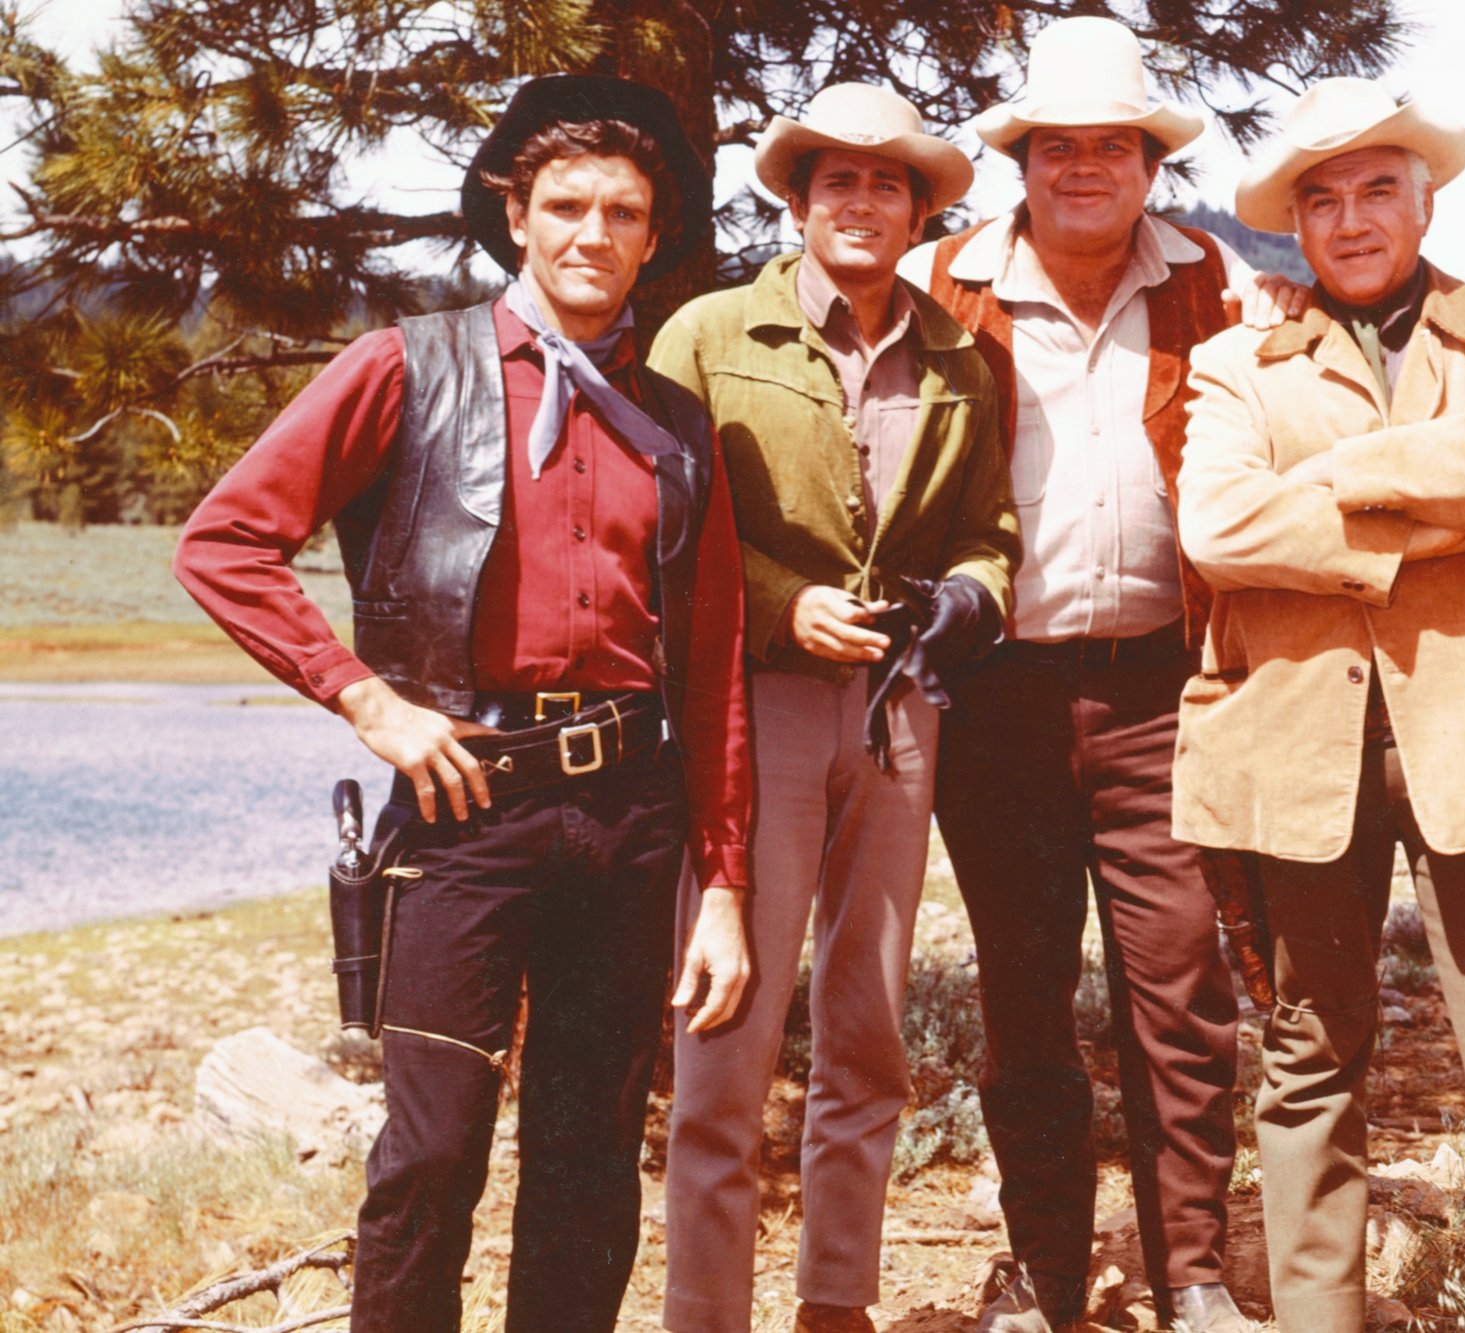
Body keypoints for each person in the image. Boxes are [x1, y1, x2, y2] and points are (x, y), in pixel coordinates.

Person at [173, 75, 752, 1333]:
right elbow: (225, 543)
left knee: (590, 1159)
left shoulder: (679, 428)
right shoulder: (408, 366)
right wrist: (368, 703)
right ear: (516, 213)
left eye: (621, 211)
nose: (590, 233)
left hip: (628, 815)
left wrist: (722, 887)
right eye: (564, 206)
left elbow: (710, 678)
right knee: (431, 1153)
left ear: (654, 235)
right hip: (463, 807)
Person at [1171, 77, 1465, 1333]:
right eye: (1319, 197)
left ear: (1425, 199)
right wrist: (1422, 517)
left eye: (1378, 186)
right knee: (1308, 1065)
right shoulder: (1234, 359)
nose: (1351, 217)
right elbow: (1217, 525)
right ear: (1295, 225)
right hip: (1286, 754)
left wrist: (1333, 474)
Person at [899, 17, 1304, 1333]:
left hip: (1163, 692)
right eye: (1057, 145)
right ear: (1021, 158)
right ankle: (1047, 1274)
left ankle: (1191, 1271)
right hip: (997, 694)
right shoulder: (935, 283)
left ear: (1147, 161)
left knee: (1180, 991)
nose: (1085, 167)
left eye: (1111, 146)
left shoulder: (1221, 283)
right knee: (1022, 993)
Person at [648, 83, 1017, 1333]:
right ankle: (705, 1312)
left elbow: (990, 533)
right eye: (836, 181)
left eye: (888, 183)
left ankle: (836, 1305)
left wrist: (967, 602)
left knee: (865, 1028)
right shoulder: (703, 335)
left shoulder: (966, 359)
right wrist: (779, 602)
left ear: (921, 209)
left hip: (901, 715)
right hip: (755, 708)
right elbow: (661, 530)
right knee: (727, 1034)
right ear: (798, 199)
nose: (861, 202)